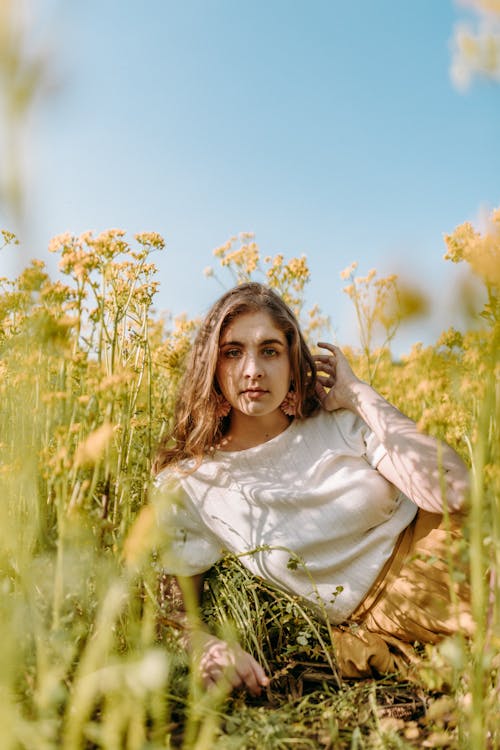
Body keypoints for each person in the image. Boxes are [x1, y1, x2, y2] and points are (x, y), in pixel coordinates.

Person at [151, 281, 472, 695]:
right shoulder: (188, 485)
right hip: (389, 616)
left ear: (291, 361)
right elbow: (176, 619)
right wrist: (208, 649)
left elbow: (456, 493)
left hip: (452, 548)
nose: (253, 370)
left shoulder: (335, 420)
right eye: (233, 352)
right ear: (211, 365)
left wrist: (359, 395)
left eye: (270, 350)